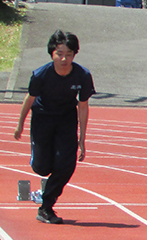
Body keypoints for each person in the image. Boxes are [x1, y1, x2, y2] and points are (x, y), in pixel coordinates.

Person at [13, 30, 95, 224]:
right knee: (42, 167)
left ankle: (46, 207)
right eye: (59, 53)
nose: (64, 59)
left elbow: (83, 106)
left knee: (66, 165)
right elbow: (29, 99)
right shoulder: (41, 75)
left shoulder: (82, 76)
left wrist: (82, 138)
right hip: (43, 118)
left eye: (68, 54)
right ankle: (40, 162)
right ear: (52, 53)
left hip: (66, 119)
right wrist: (20, 125)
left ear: (75, 54)